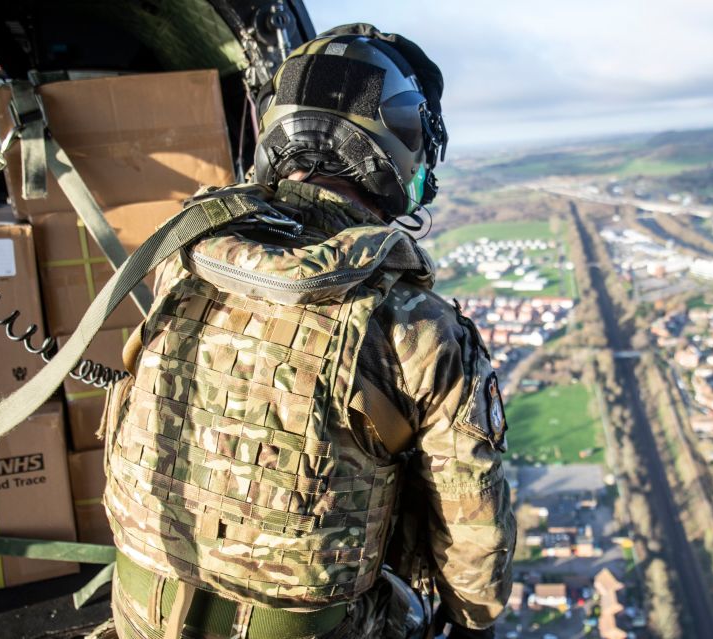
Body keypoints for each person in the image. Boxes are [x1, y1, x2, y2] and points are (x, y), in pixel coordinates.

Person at [100, 23, 515, 639]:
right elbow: (476, 575)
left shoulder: (181, 262)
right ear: (401, 146)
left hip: (138, 617)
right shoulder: (417, 328)